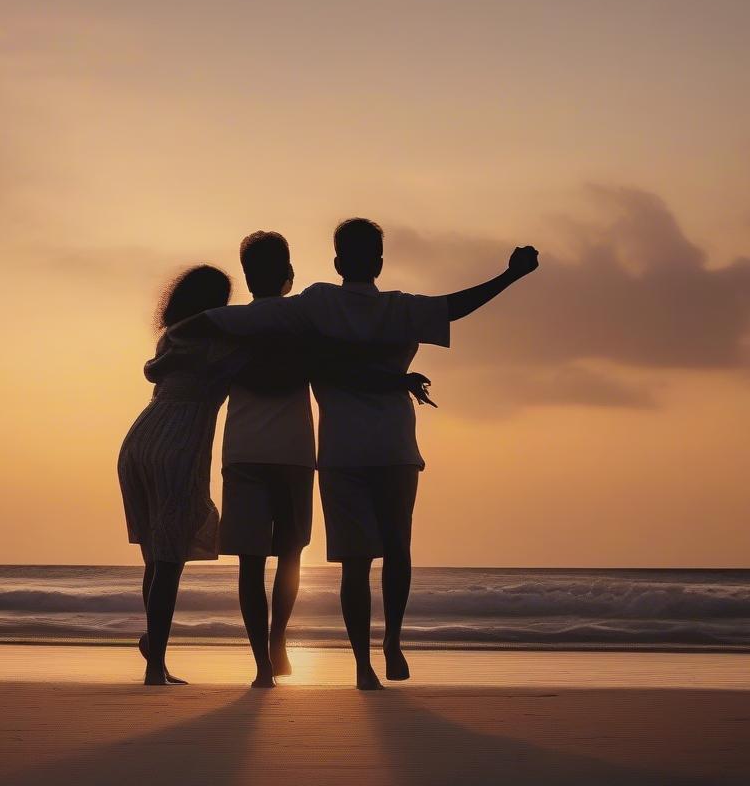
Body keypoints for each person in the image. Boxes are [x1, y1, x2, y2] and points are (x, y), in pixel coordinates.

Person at [176, 220, 539, 689]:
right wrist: (510, 276)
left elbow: (243, 319)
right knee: (397, 549)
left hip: (341, 451)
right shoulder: (400, 308)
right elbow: (456, 307)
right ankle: (392, 642)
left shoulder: (317, 303)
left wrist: (181, 327)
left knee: (355, 563)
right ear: (380, 263)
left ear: (337, 263)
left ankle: (363, 667)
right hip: (395, 446)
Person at [117, 260, 433, 687]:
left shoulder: (174, 337)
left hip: (141, 438)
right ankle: (157, 665)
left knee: (159, 555)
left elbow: (157, 373)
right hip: (180, 444)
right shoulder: (223, 339)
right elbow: (281, 374)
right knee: (173, 556)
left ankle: (157, 650)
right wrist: (378, 376)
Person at [219, 231, 435, 688]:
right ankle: (281, 644)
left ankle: (264, 663)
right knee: (292, 558)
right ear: (290, 275)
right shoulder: (305, 322)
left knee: (252, 563)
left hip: (244, 454)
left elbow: (207, 366)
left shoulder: (229, 323)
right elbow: (336, 363)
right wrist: (393, 380)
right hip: (296, 455)